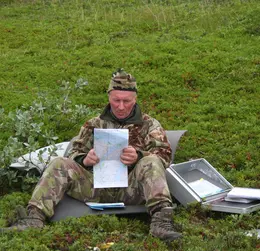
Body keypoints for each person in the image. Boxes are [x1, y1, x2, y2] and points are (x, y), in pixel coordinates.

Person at [2, 68, 182, 241]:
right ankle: (34, 217)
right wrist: (84, 160)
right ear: (109, 97)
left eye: (126, 101)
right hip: (95, 187)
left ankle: (161, 222)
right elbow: (74, 151)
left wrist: (139, 157)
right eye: (116, 100)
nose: (120, 106)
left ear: (135, 100)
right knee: (59, 163)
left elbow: (164, 155)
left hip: (134, 189)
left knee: (150, 161)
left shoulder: (149, 125)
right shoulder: (94, 124)